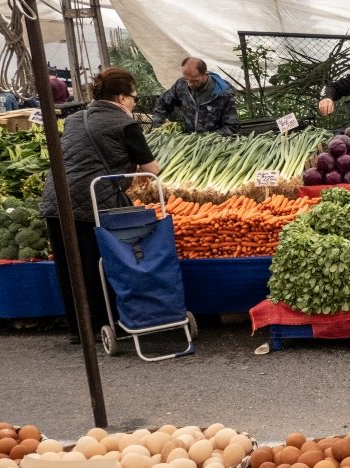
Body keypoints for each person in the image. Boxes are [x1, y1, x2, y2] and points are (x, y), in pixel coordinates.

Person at [39, 67, 160, 343]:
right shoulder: (126, 124)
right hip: (92, 200)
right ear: (121, 98)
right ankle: (106, 323)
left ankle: (78, 330)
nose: (134, 103)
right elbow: (152, 169)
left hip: (56, 198)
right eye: (133, 97)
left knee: (69, 266)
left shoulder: (74, 119)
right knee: (98, 264)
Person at [150, 57, 239, 135]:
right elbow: (163, 103)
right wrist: (158, 125)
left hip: (213, 143)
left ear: (205, 75)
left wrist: (205, 139)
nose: (189, 84)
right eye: (186, 79)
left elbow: (231, 127)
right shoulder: (181, 85)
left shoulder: (223, 94)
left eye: (194, 81)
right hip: (188, 140)